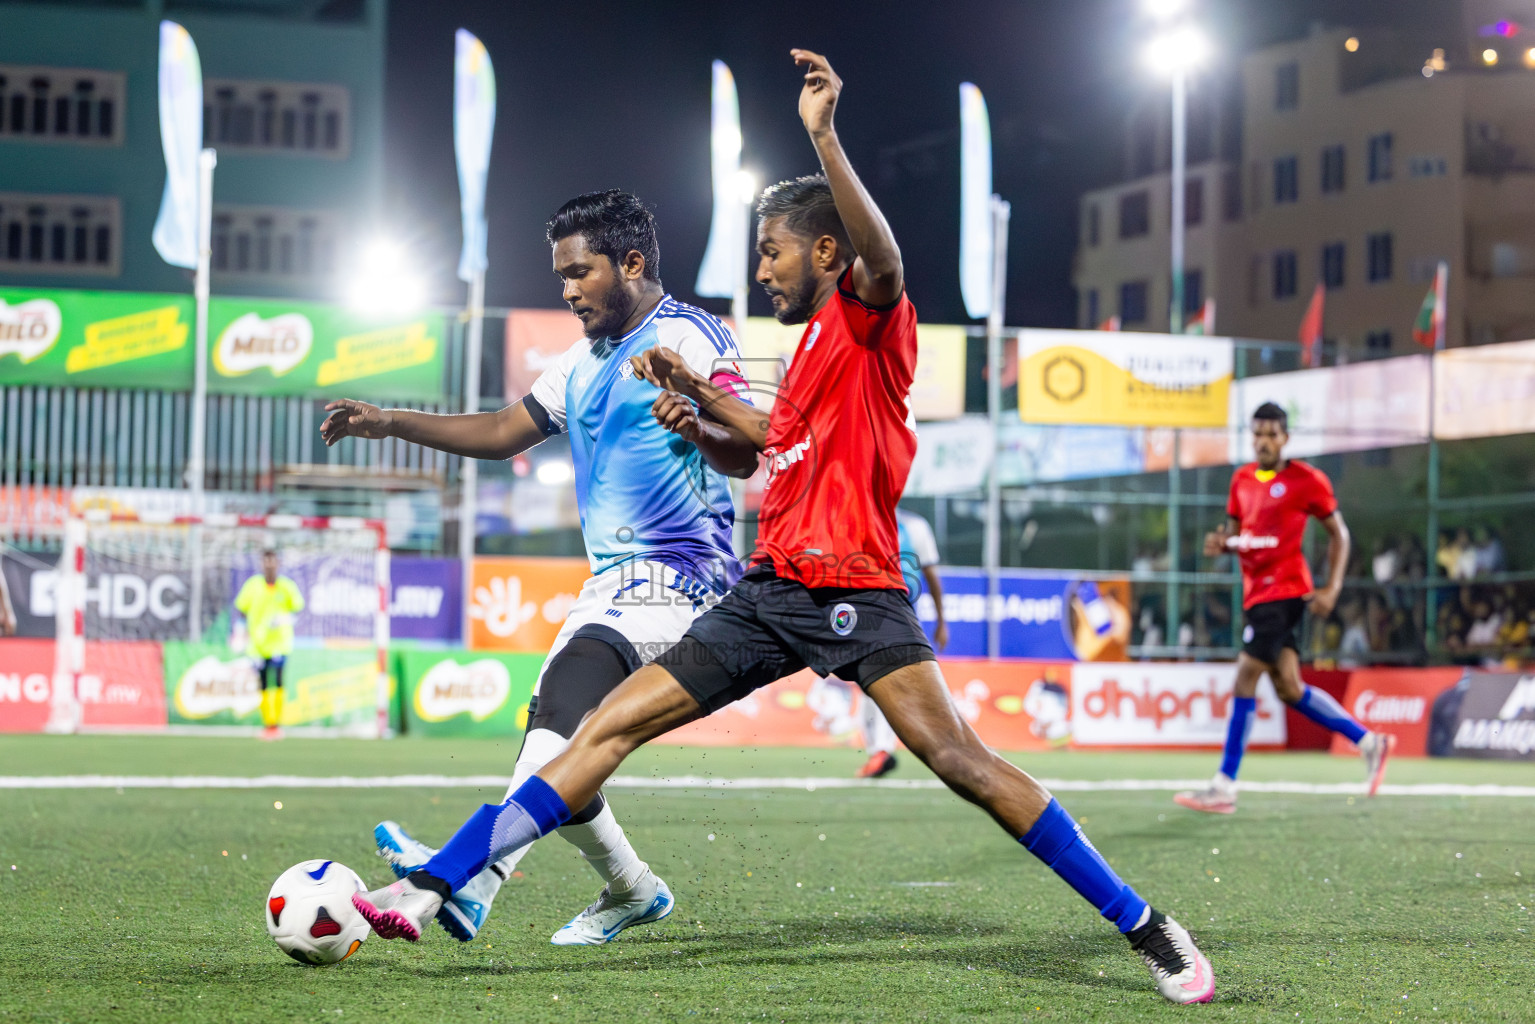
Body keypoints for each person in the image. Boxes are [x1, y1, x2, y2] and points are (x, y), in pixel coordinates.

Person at [350, 50, 1215, 1005]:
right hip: (767, 593)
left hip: (857, 593)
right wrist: (695, 401)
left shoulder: (871, 318)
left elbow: (882, 258)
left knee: (960, 761)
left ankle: (1144, 925)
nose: (760, 270)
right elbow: (779, 443)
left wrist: (824, 135)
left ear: (828, 255)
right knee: (601, 729)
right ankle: (437, 888)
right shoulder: (801, 358)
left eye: (773, 252)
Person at [320, 189, 757, 946]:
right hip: (612, 584)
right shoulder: (578, 363)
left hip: (680, 579)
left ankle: (464, 877)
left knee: (558, 722)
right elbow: (500, 430)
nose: (566, 289)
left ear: (631, 262)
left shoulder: (692, 337)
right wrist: (389, 421)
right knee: (556, 748)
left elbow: (746, 451)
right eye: (560, 275)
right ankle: (629, 889)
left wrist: (694, 412)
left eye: (579, 272)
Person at [1176, 403, 1393, 815]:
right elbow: (1239, 535)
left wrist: (1332, 587)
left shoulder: (1306, 480)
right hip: (1256, 594)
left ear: (1286, 438)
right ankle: (1369, 741)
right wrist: (1224, 543)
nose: (1264, 441)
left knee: (1245, 677)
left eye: (1273, 433)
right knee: (1289, 688)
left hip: (1286, 592)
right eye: (1258, 433)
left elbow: (1339, 535)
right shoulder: (1241, 479)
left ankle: (1224, 785)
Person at [831, 506, 949, 778]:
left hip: (899, 613)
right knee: (872, 681)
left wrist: (942, 620)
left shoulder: (914, 525)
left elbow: (930, 574)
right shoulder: (856, 515)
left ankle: (883, 749)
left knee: (880, 679)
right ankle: (881, 749)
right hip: (865, 611)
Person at [233, 548, 305, 741]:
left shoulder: (287, 586)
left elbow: (298, 609)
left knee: (279, 680)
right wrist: (240, 632)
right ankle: (268, 724)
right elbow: (241, 609)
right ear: (262, 564)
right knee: (263, 682)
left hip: (280, 643)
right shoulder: (253, 585)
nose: (269, 565)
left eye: (273, 561)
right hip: (258, 645)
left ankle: (277, 724)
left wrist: (285, 619)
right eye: (266, 561)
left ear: (278, 563)